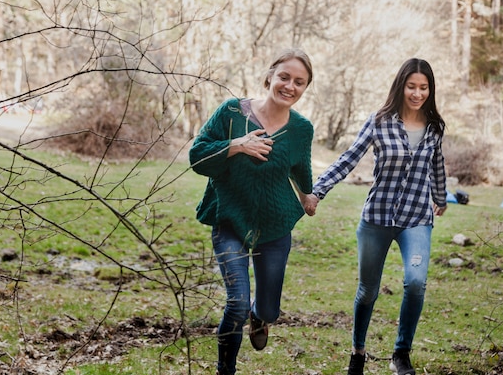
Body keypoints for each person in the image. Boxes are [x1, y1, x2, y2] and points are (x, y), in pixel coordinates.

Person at [304, 58, 447, 375]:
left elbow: (437, 166)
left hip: (417, 217)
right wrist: (317, 191)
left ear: (430, 90)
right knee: (368, 290)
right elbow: (348, 159)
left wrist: (440, 198)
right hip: (377, 218)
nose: (417, 93)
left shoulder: (435, 128)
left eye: (423, 87)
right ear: (401, 86)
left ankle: (401, 353)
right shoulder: (380, 121)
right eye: (412, 86)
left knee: (416, 283)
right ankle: (358, 352)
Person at [189, 48, 315, 375]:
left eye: (299, 82)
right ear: (269, 77)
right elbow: (197, 155)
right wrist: (236, 145)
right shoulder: (232, 113)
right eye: (284, 77)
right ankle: (225, 370)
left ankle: (261, 317)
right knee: (237, 304)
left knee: (269, 309)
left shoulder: (302, 129)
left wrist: (307, 195)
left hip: (274, 227)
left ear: (304, 88)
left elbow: (300, 168)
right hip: (230, 219)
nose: (290, 86)